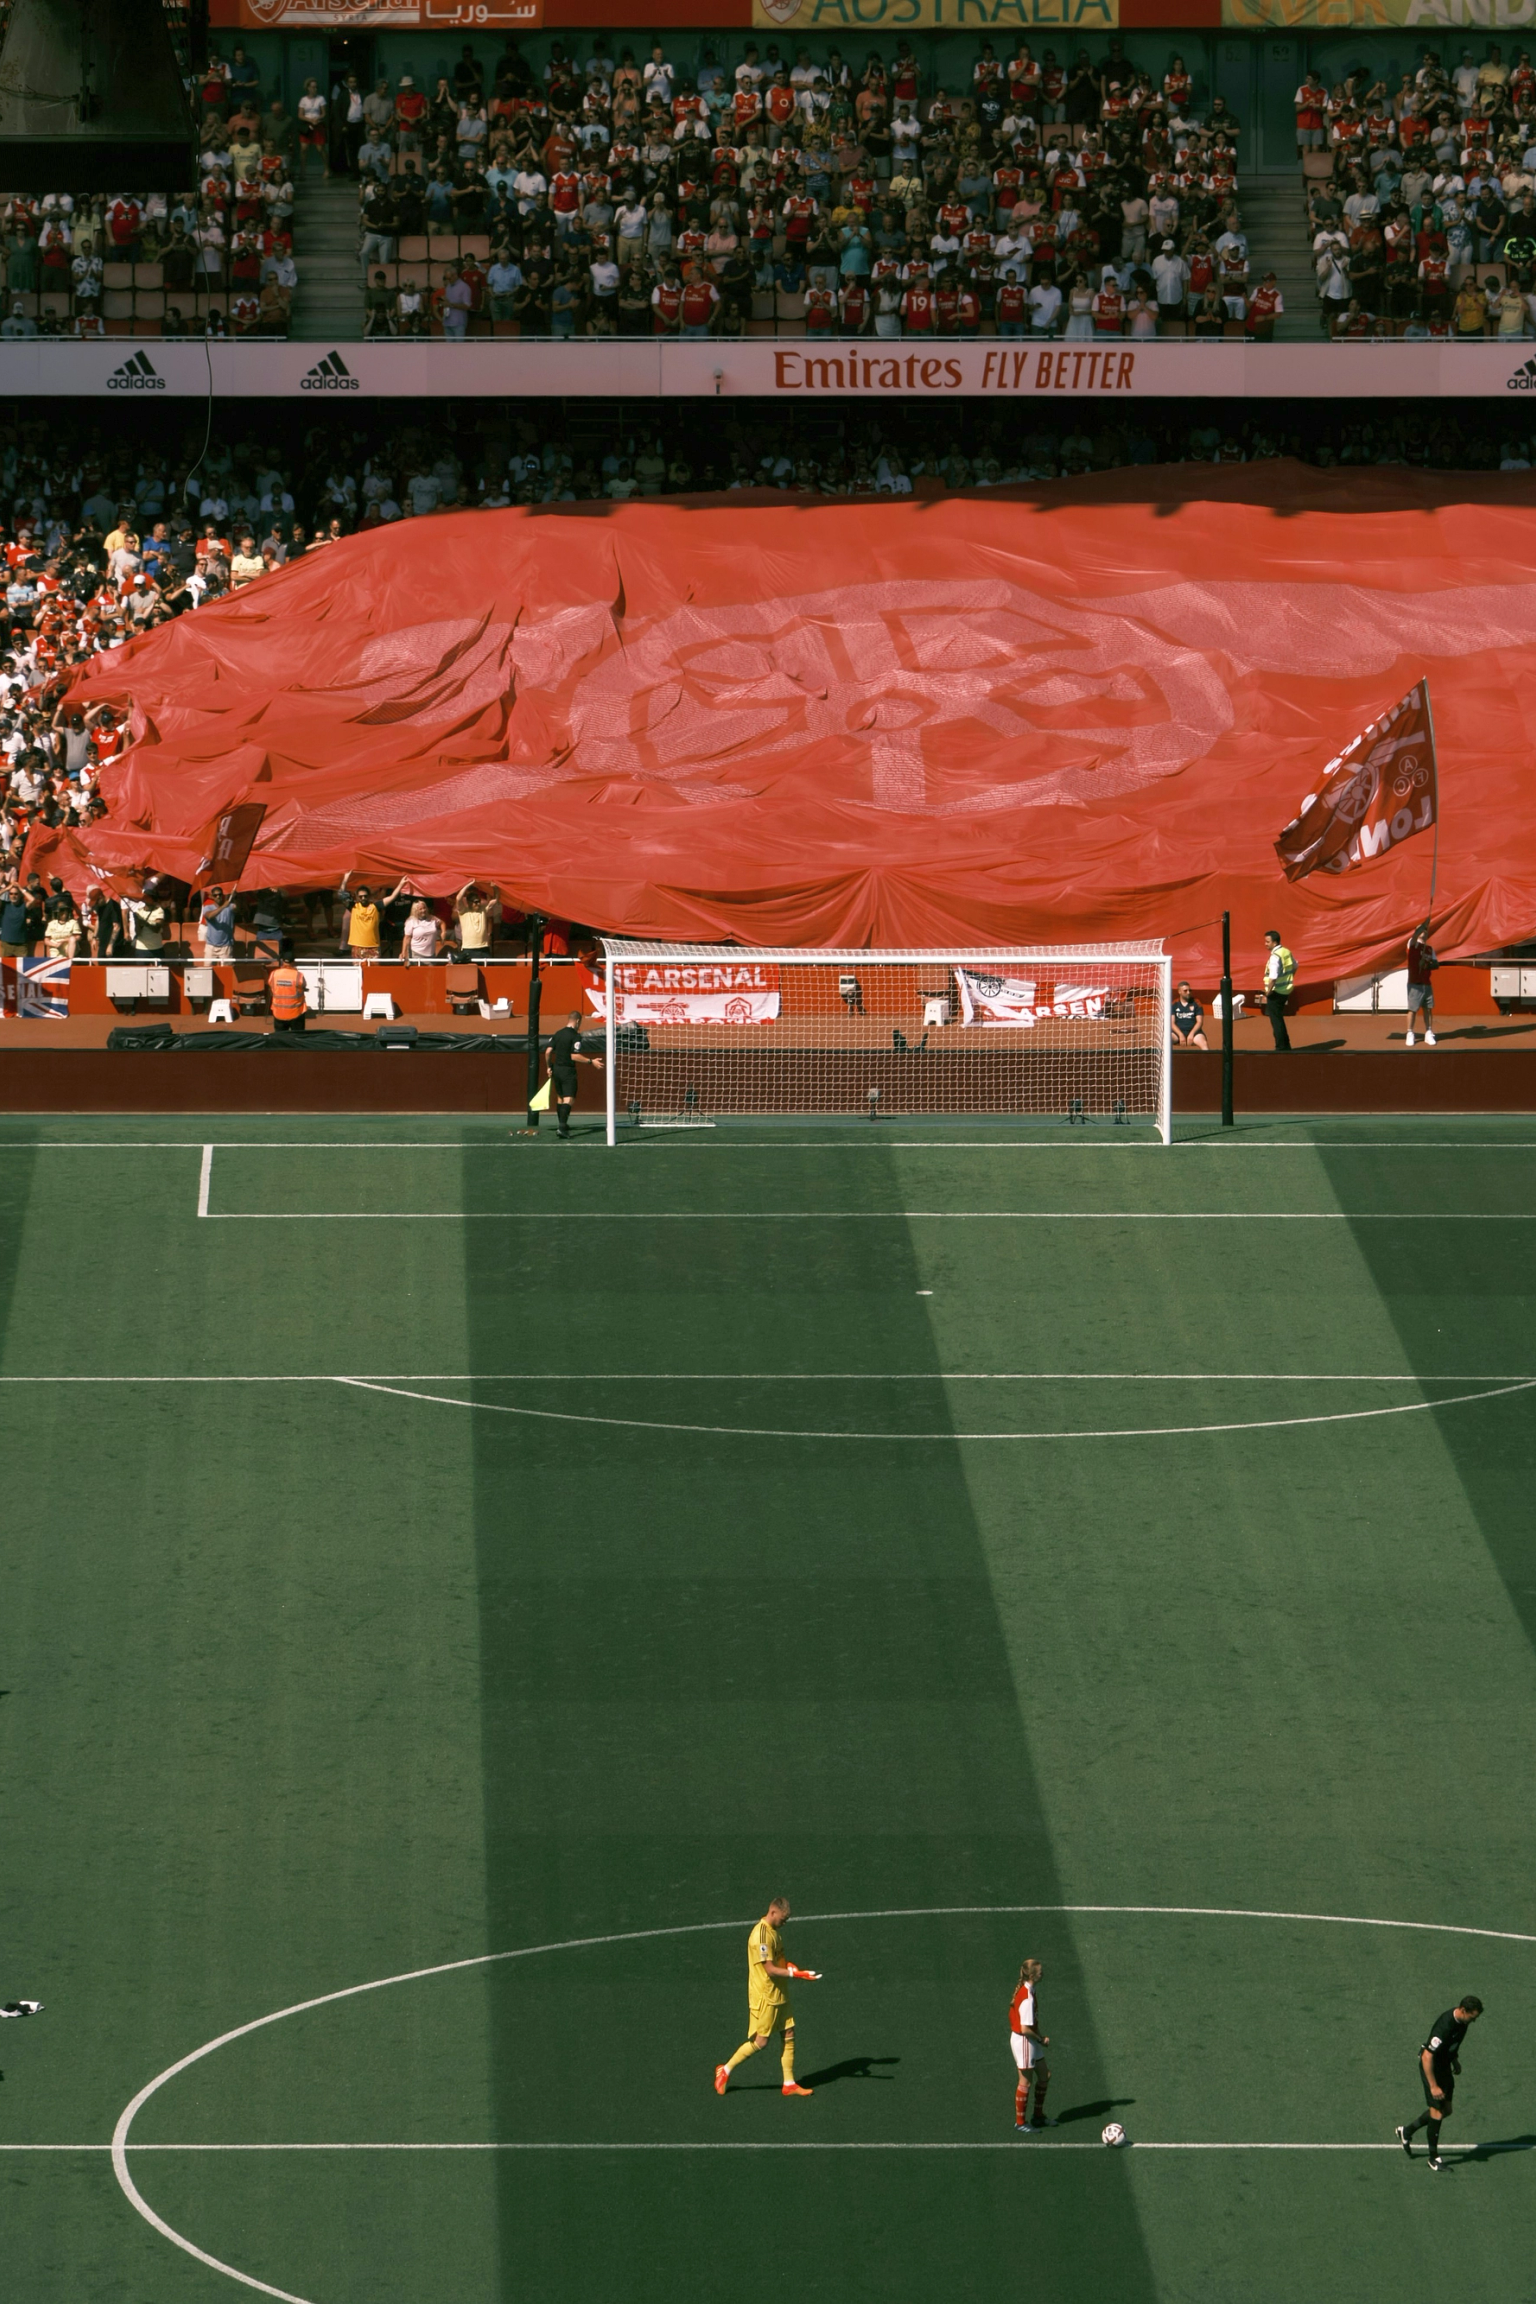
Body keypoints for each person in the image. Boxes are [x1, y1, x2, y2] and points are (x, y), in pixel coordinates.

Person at [714, 1894, 821, 2099]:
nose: (784, 1923)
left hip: (779, 1993)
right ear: (773, 1912)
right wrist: (794, 1974)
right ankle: (725, 2070)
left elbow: (780, 1961)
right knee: (760, 2042)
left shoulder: (775, 1933)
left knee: (788, 2032)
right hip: (765, 1996)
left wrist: (795, 1968)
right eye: (783, 1919)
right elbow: (770, 1969)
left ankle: (788, 2083)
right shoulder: (761, 1936)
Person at [1397, 1995, 1482, 2167]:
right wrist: (1433, 2085)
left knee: (1446, 2110)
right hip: (1432, 2068)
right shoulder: (1445, 2026)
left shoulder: (1463, 2022)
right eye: (1472, 2017)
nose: (1473, 2021)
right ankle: (1433, 2158)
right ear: (1463, 2010)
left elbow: (1452, 2044)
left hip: (1444, 2066)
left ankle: (1407, 2131)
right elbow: (1427, 2057)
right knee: (1436, 2111)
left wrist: (1454, 2060)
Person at [543, 1008, 603, 1139]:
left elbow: (548, 1052)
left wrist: (549, 1067)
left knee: (560, 1097)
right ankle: (562, 1127)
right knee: (569, 1098)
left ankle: (561, 1123)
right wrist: (590, 1061)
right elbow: (573, 1056)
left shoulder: (557, 1033)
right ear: (577, 1021)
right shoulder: (575, 1036)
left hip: (556, 1069)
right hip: (567, 1071)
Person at [1009, 1956, 1053, 2131]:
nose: (1043, 1974)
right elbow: (1025, 2028)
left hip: (1030, 2040)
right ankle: (1020, 2123)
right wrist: (1041, 2039)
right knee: (1025, 2082)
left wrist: (1039, 2037)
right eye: (1040, 1972)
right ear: (1033, 1976)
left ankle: (1038, 2116)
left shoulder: (1029, 1990)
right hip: (1025, 2041)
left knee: (1045, 2075)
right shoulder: (1027, 1997)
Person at [1261, 928, 1295, 1050]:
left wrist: (1267, 993)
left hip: (1276, 992)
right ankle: (1286, 1045)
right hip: (1286, 990)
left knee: (1276, 1021)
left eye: (1267, 942)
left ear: (1274, 943)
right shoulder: (1286, 951)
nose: (1265, 944)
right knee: (1279, 1018)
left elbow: (1273, 977)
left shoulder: (1275, 957)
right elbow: (1295, 965)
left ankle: (1281, 1047)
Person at [1405, 921, 1438, 1046]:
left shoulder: (1429, 949)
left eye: (1425, 930)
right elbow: (1414, 936)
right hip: (1414, 983)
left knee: (1428, 1009)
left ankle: (1428, 1032)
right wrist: (1424, 924)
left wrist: (1427, 963)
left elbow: (1436, 964)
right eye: (1420, 930)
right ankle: (1410, 1033)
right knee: (1412, 1009)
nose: (1423, 931)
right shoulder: (1412, 944)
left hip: (1426, 983)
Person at [267, 939, 307, 1033]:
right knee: (298, 1037)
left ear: (282, 961)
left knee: (280, 1038)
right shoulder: (298, 975)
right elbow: (303, 985)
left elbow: (270, 986)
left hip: (278, 1013)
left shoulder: (273, 974)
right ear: (293, 962)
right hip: (296, 1013)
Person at [339, 876, 380, 960]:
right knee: (358, 971)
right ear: (357, 897)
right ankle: (343, 946)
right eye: (360, 897)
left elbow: (391, 897)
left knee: (374, 971)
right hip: (358, 946)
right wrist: (346, 878)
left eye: (365, 896)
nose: (363, 898)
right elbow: (341, 894)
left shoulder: (375, 906)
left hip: (373, 946)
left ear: (369, 896)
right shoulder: (353, 906)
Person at [1171, 980, 1209, 1050]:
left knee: (1204, 1044)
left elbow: (1199, 1022)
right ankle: (1166, 1060)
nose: (1188, 992)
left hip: (1194, 1032)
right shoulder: (1174, 1004)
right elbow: (1172, 1023)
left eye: (1189, 990)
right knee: (1166, 1041)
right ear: (1179, 991)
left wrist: (1191, 1034)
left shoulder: (1196, 1003)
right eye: (1185, 991)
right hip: (1177, 1033)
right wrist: (1180, 1034)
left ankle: (1208, 1061)